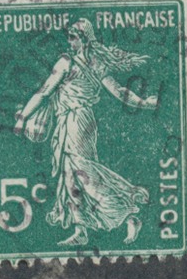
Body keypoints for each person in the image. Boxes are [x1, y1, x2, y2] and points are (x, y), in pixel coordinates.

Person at [13, 20, 156, 247]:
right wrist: (144, 103)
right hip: (71, 120)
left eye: (73, 36)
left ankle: (128, 213)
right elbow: (117, 91)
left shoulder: (69, 63)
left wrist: (23, 117)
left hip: (76, 121)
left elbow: (45, 91)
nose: (69, 41)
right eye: (69, 36)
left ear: (84, 38)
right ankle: (81, 229)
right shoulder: (91, 62)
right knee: (70, 175)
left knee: (82, 172)